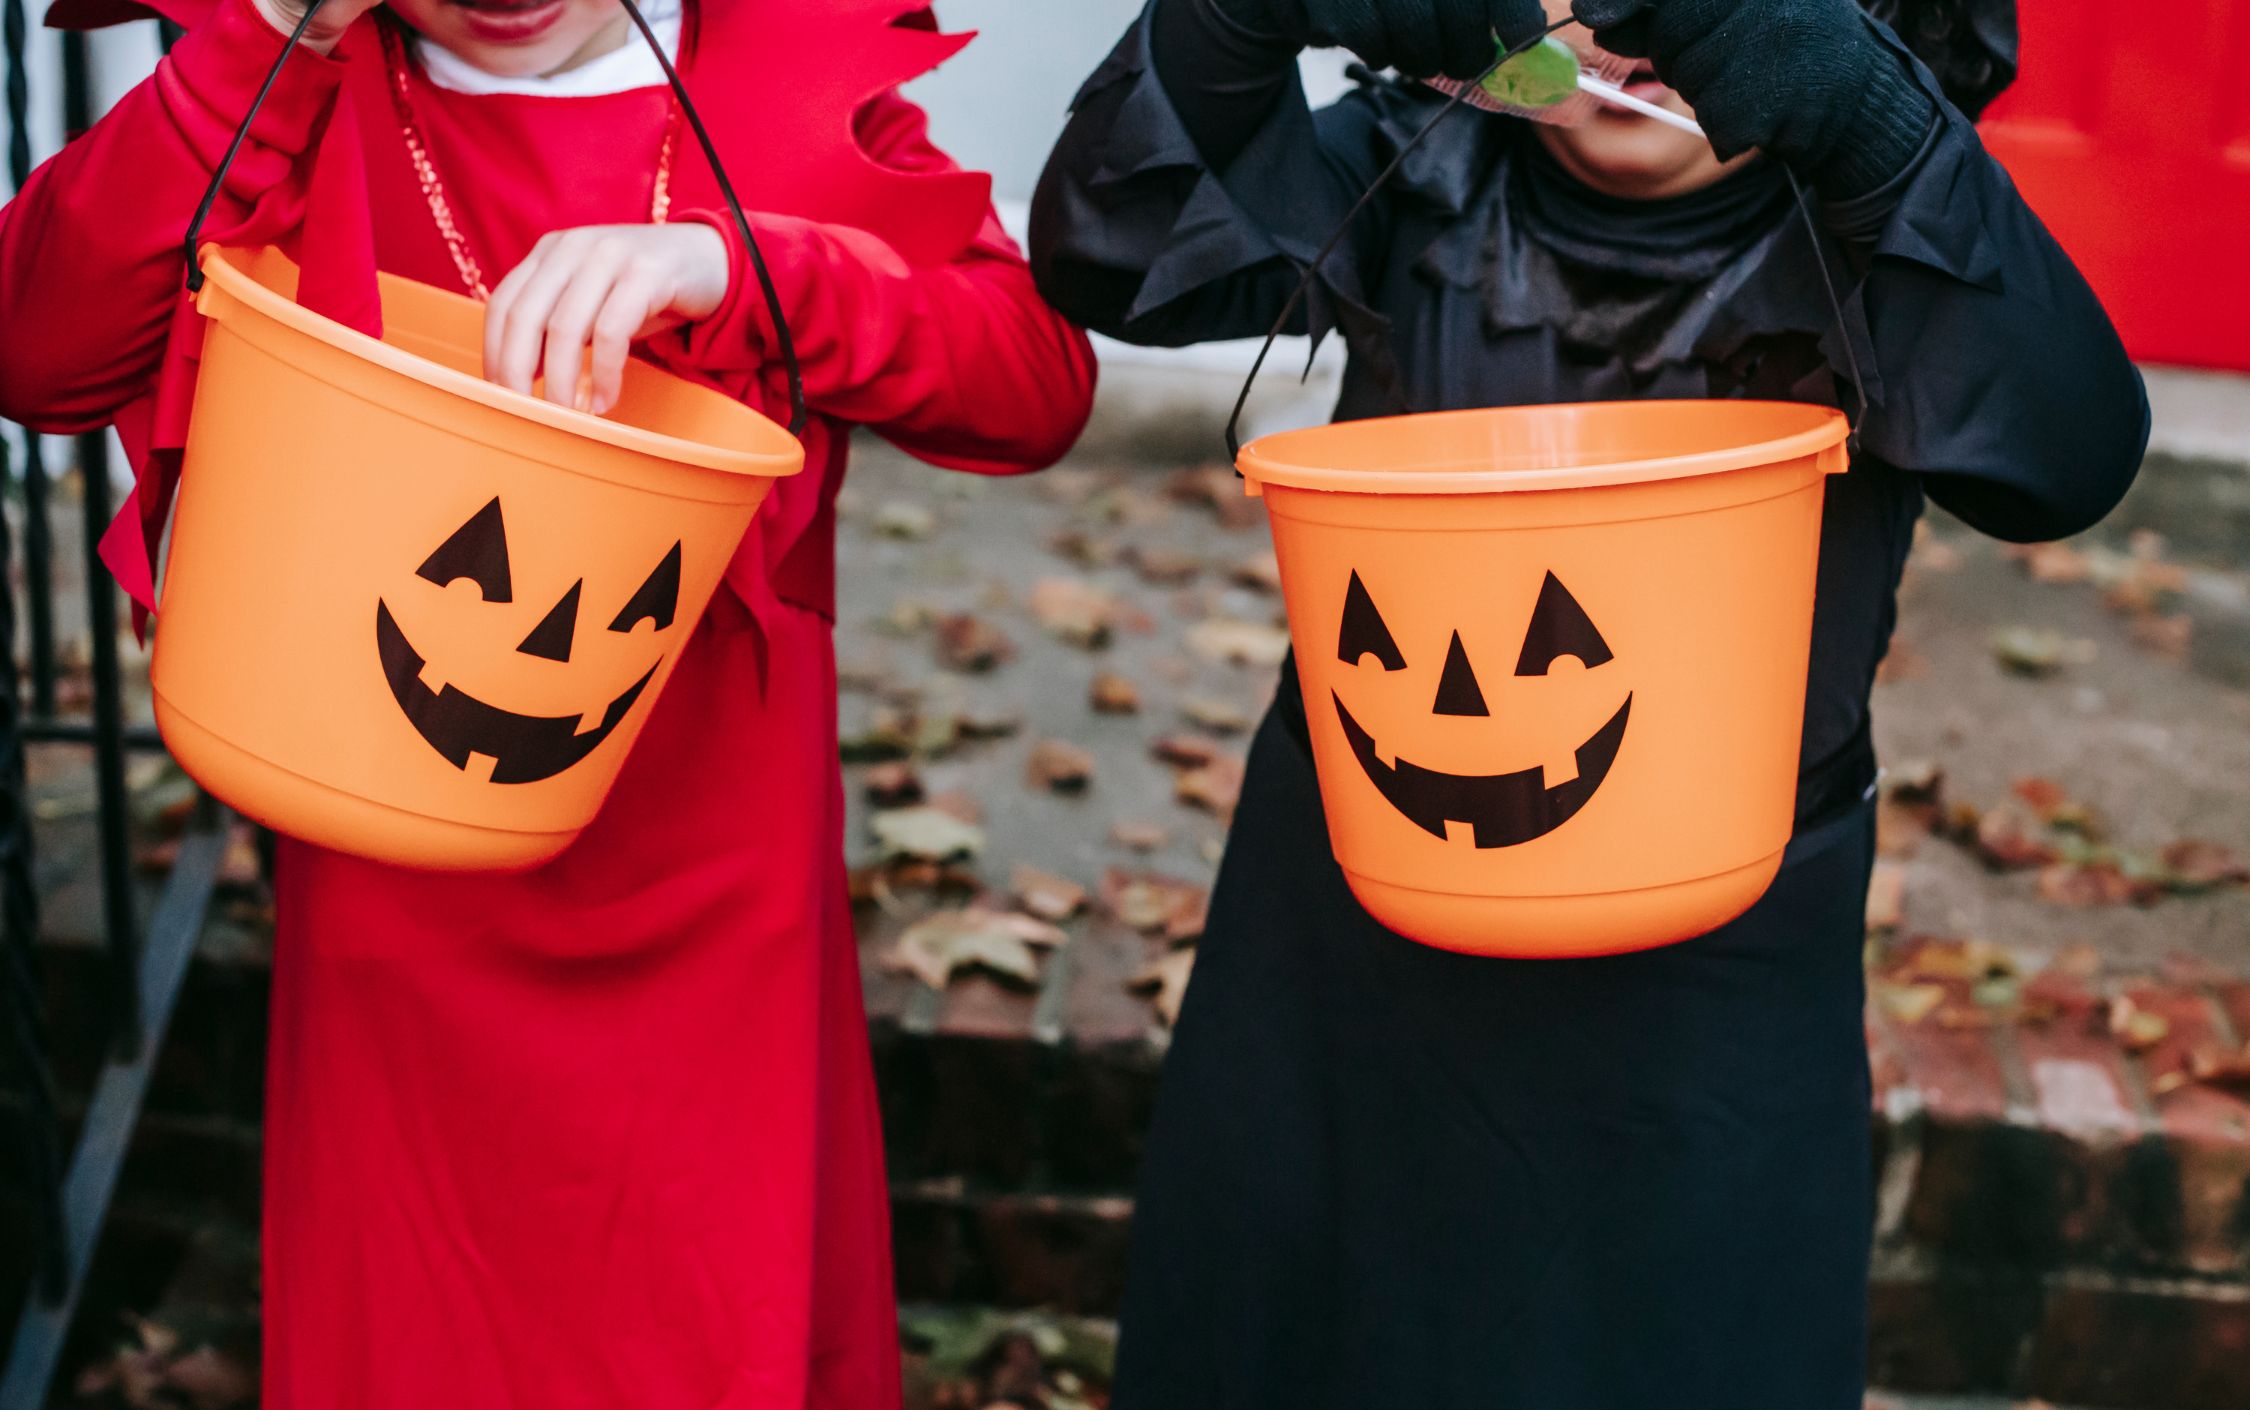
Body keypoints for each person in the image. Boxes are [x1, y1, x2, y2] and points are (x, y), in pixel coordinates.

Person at [1031, 0, 2144, 1405]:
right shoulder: (1411, 164)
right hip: (1354, 911)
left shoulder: (1879, 217)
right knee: (1296, 1336)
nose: (1621, 32)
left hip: (1709, 978)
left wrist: (1870, 125)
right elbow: (1109, 255)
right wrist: (1232, 16)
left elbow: (2068, 449)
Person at [0, 0, 1095, 1404]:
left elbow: (1031, 381)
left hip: (714, 876)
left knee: (711, 1321)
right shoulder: (290, 72)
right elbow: (41, 352)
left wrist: (746, 267)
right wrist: (263, 39)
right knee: (421, 1327)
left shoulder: (777, 68)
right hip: (397, 881)